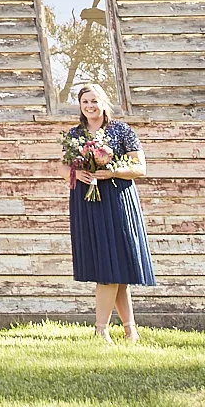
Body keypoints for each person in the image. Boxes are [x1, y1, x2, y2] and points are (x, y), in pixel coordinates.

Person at [65, 81, 155, 342]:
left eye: (94, 101)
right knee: (108, 266)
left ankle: (108, 330)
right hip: (87, 200)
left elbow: (140, 168)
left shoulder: (121, 130)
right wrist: (76, 173)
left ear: (103, 102)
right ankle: (123, 330)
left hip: (116, 199)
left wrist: (112, 172)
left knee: (116, 265)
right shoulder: (74, 134)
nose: (90, 106)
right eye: (85, 102)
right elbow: (62, 167)